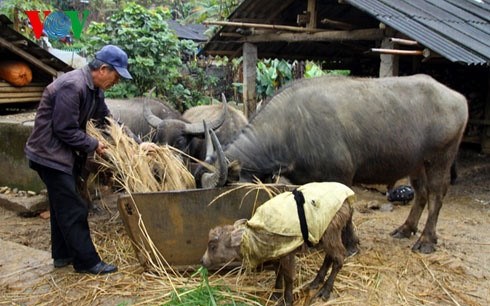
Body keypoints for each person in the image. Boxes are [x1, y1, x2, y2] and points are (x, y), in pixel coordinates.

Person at [25, 45, 134, 275]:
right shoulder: (72, 86)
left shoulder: (95, 90)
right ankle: (87, 262)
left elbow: (107, 121)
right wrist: (94, 145)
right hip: (49, 155)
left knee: (60, 206)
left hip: (61, 155)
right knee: (74, 207)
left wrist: (133, 142)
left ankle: (62, 256)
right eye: (116, 75)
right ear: (103, 69)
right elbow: (65, 129)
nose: (117, 82)